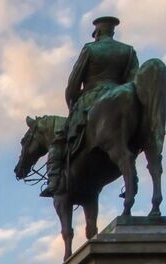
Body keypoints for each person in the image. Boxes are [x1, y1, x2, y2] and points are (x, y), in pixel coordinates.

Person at [42, 16, 139, 197]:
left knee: (60, 138)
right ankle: (133, 178)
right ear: (112, 31)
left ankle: (54, 179)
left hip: (91, 98)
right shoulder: (128, 51)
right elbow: (133, 81)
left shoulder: (90, 49)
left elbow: (74, 82)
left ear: (97, 33)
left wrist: (72, 103)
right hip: (123, 97)